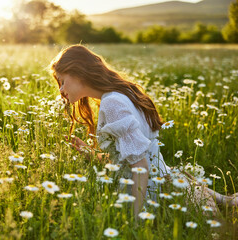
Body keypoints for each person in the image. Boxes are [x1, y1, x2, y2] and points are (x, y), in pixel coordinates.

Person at [49, 44, 237, 218]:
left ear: (78, 72)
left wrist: (136, 220)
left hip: (153, 193)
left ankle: (222, 202)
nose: (62, 90)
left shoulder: (112, 103)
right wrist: (88, 152)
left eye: (62, 81)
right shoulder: (124, 93)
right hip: (169, 179)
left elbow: (139, 166)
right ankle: (224, 201)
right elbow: (125, 158)